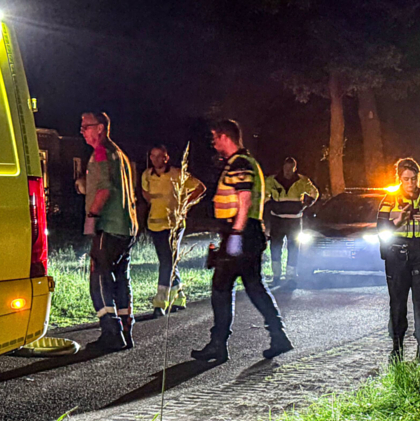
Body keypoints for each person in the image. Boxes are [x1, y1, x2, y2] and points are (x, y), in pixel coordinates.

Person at [191, 120, 293, 363]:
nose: (213, 142)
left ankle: (218, 343)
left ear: (226, 137)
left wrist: (235, 234)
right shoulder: (244, 162)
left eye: (215, 137)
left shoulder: (240, 163)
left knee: (221, 288)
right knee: (254, 286)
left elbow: (244, 198)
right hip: (247, 232)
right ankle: (278, 336)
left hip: (241, 233)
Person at [80, 111, 139, 351]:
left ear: (101, 128)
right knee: (121, 277)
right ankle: (125, 328)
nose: (82, 131)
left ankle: (110, 331)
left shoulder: (101, 153)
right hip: (127, 227)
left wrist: (91, 217)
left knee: (99, 275)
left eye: (86, 126)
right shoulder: (120, 154)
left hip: (109, 226)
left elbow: (104, 190)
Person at [377, 158, 420, 362]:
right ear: (399, 178)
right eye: (406, 179)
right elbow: (380, 227)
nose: (410, 183)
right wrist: (398, 221)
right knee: (397, 303)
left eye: (414, 179)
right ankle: (397, 348)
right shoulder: (390, 198)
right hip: (397, 254)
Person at [141, 145, 206, 317]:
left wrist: (184, 204)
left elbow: (200, 188)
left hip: (174, 225)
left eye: (159, 156)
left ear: (166, 157)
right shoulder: (146, 175)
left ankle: (160, 302)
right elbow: (145, 193)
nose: (155, 159)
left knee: (166, 262)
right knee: (169, 261)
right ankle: (179, 298)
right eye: (152, 156)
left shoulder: (177, 173)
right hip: (154, 225)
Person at [265, 157, 319, 288]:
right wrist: (269, 206)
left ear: (295, 168)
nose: (288, 171)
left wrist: (305, 205)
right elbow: (263, 194)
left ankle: (291, 277)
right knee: (275, 248)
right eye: (286, 168)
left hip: (294, 220)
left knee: (293, 248)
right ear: (283, 167)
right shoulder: (272, 180)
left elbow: (314, 193)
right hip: (277, 219)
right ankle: (276, 276)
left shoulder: (302, 181)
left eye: (291, 169)